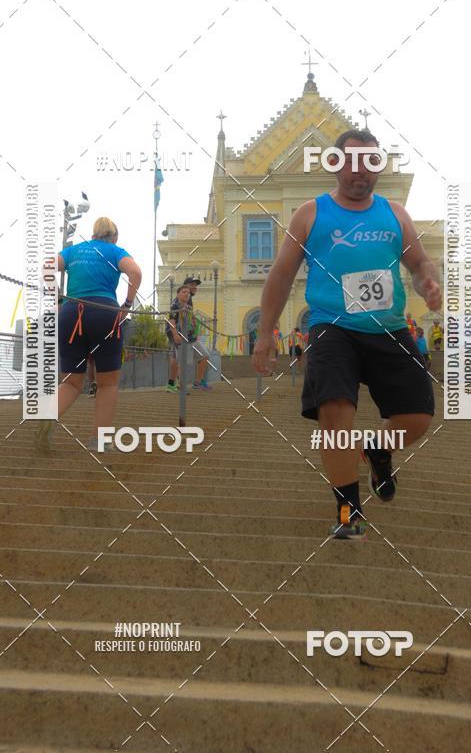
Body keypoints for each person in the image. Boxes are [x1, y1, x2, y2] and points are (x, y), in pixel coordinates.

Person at [253, 128, 441, 540]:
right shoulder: (310, 213)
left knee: (418, 418)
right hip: (332, 327)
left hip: (388, 328)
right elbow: (281, 274)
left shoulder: (395, 214)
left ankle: (376, 448)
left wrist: (428, 281)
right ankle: (348, 513)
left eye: (370, 163)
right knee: (335, 411)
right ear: (336, 164)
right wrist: (265, 333)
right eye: (352, 161)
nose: (361, 171)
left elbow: (421, 263)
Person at [36, 217, 142, 453]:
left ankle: (48, 417)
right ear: (114, 237)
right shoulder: (115, 251)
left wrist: (58, 299)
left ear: (93, 234)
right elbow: (135, 272)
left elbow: (46, 268)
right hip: (105, 313)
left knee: (72, 381)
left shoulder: (74, 250)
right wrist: (126, 305)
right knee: (107, 383)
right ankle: (99, 441)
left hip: (72, 312)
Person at [166, 276, 212, 391]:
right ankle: (175, 385)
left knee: (181, 358)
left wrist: (194, 325)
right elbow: (173, 318)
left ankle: (178, 384)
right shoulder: (177, 303)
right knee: (179, 359)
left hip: (188, 335)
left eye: (196, 285)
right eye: (192, 285)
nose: (194, 287)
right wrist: (175, 334)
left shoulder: (188, 300)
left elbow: (189, 316)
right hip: (176, 332)